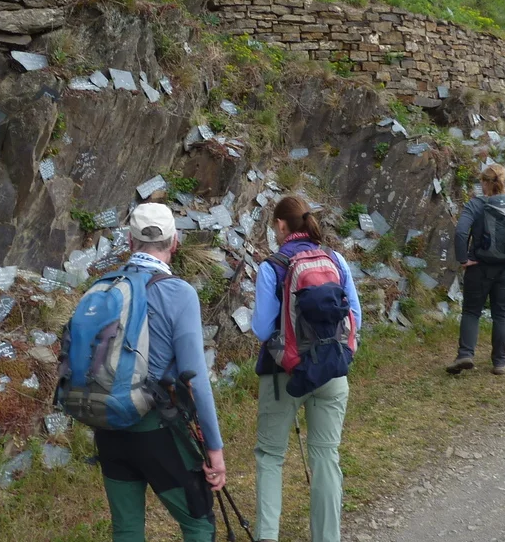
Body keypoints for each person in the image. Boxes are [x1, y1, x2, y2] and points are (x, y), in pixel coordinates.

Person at [94, 203, 226, 541]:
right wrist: (214, 449)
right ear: (175, 241)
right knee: (198, 523)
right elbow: (195, 379)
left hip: (108, 427)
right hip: (157, 428)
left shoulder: (104, 288)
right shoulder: (178, 293)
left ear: (129, 242)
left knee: (126, 529)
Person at [252, 195, 361, 542]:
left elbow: (261, 328)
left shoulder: (272, 267)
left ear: (281, 226)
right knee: (326, 456)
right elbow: (355, 317)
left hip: (284, 375)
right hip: (331, 370)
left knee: (270, 455)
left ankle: (267, 536)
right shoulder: (335, 259)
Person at [448, 164, 505, 375]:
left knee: (471, 311)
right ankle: (500, 362)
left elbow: (461, 232)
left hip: (479, 267)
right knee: (502, 314)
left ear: (484, 183)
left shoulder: (475, 205)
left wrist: (463, 259)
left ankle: (465, 354)